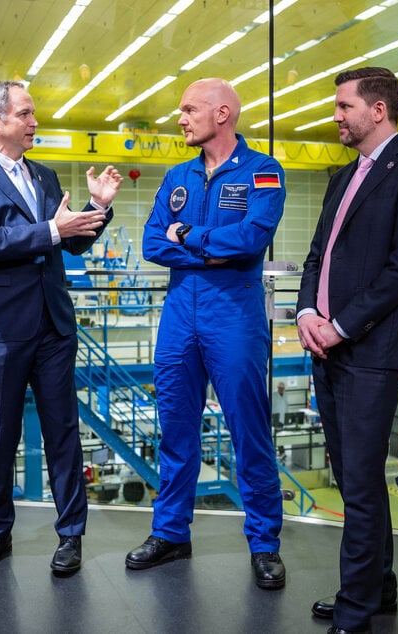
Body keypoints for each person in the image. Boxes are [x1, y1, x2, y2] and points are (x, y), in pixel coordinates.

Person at [0, 80, 122, 576]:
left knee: (62, 433)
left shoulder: (43, 175)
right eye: (25, 113)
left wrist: (97, 209)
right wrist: (51, 229)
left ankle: (71, 535)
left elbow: (71, 242)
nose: (34, 122)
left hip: (52, 325)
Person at [295, 67, 398, 633]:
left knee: (358, 484)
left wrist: (342, 325)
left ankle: (355, 609)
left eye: (344, 106)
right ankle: (378, 588)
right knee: (353, 477)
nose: (335, 116)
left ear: (377, 110)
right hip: (327, 347)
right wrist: (307, 314)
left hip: (371, 351)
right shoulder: (342, 177)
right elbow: (318, 254)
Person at [125, 78, 287, 590]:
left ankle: (264, 543)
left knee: (248, 431)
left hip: (234, 315)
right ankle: (171, 532)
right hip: (180, 316)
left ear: (222, 114)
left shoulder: (263, 171)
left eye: (189, 109)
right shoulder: (178, 175)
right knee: (175, 428)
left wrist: (189, 235)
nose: (180, 118)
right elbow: (153, 242)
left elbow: (251, 239)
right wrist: (210, 250)